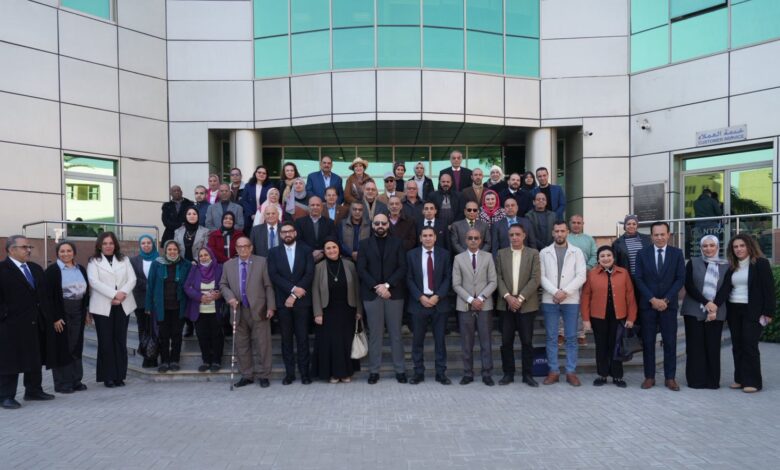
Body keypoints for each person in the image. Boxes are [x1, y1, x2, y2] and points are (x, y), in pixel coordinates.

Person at [0, 236, 57, 409]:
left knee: (35, 357)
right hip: (11, 325)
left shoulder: (35, 268)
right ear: (11, 250)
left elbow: (44, 295)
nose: (29, 250)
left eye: (29, 246)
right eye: (24, 247)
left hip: (36, 322)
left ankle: (33, 390)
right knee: (10, 360)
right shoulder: (2, 269)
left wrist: (47, 316)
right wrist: (5, 316)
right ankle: (6, 396)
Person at [718, 234, 775, 393]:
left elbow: (769, 290)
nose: (739, 249)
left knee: (749, 344)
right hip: (734, 310)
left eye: (742, 246)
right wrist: (713, 305)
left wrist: (768, 312)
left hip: (753, 311)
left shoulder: (761, 263)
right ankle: (740, 379)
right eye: (735, 247)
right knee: (737, 345)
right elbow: (725, 289)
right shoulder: (733, 266)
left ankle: (753, 382)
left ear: (749, 246)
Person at [634, 222, 686, 391]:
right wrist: (652, 299)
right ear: (651, 236)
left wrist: (666, 300)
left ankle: (670, 378)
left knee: (670, 342)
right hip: (648, 306)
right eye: (656, 235)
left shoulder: (677, 254)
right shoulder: (642, 254)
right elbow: (638, 278)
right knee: (648, 342)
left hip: (668, 306)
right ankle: (649, 377)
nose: (659, 237)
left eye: (662, 234)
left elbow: (680, 278)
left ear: (668, 235)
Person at [357, 213, 408, 385]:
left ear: (388, 225)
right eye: (377, 223)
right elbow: (361, 269)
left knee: (396, 334)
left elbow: (402, 267)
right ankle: (374, 371)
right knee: (375, 335)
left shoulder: (398, 243)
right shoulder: (364, 244)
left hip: (394, 294)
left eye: (383, 223)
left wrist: (387, 285)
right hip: (372, 295)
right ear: (373, 225)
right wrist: (377, 287)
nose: (380, 226)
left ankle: (400, 370)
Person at [219, 236, 276, 388]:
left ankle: (264, 375)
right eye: (239, 246)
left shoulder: (262, 262)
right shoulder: (228, 265)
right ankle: (247, 375)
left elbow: (268, 286)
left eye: (246, 246)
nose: (243, 249)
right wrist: (229, 297)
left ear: (251, 247)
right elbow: (223, 284)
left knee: (262, 344)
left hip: (259, 309)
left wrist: (271, 306)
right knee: (241, 345)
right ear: (236, 249)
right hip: (238, 310)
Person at [581, 246, 637, 388]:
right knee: (601, 346)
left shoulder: (623, 273)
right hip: (598, 317)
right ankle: (603, 374)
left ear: (614, 258)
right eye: (602, 256)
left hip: (619, 316)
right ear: (598, 259)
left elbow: (630, 296)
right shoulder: (592, 274)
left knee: (616, 346)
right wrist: (586, 319)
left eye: (608, 255)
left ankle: (617, 376)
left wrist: (631, 318)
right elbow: (586, 297)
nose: (606, 258)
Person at [87, 231, 137, 388]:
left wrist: (121, 295)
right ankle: (108, 376)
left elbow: (132, 279)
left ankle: (119, 376)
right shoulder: (93, 261)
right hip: (103, 306)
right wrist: (114, 294)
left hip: (123, 304)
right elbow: (94, 282)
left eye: (111, 243)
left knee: (120, 341)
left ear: (115, 245)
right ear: (99, 246)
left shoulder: (124, 259)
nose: (108, 246)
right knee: (106, 342)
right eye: (105, 243)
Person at [539, 221, 586, 387]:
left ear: (567, 232)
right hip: (550, 299)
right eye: (557, 231)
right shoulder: (544, 252)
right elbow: (541, 276)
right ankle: (553, 371)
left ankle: (571, 371)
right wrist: (555, 292)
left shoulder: (577, 252)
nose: (559, 234)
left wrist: (564, 292)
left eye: (562, 231)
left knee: (571, 337)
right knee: (552, 337)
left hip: (571, 300)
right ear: (553, 233)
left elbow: (581, 276)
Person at [268, 222, 315, 385]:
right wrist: (294, 289)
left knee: (303, 338)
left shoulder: (306, 250)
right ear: (280, 235)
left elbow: (309, 273)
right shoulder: (273, 253)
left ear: (295, 233)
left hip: (302, 302)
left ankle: (304, 373)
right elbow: (274, 275)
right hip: (283, 302)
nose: (287, 234)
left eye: (290, 231)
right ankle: (290, 374)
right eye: (284, 232)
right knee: (286, 339)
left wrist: (294, 295)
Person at [680, 235, 729, 389]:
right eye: (705, 246)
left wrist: (714, 305)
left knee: (712, 346)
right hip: (693, 310)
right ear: (701, 248)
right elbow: (689, 285)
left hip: (716, 311)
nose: (708, 248)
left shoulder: (726, 265)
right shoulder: (693, 263)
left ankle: (712, 381)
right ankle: (696, 380)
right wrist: (706, 302)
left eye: (712, 245)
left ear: (717, 247)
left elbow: (726, 287)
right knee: (695, 347)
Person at [495, 224, 541, 387]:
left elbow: (535, 279)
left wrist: (519, 299)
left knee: (527, 341)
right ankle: (508, 374)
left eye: (517, 234)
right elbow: (498, 277)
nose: (514, 237)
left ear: (524, 235)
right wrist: (508, 297)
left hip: (526, 305)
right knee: (506, 341)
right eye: (511, 235)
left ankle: (527, 374)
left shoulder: (533, 253)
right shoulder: (501, 253)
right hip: (505, 304)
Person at [406, 226, 452, 385]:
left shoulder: (444, 254)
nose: (427, 238)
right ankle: (418, 372)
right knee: (417, 341)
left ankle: (441, 373)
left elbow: (448, 277)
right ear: (420, 238)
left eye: (430, 235)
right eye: (424, 235)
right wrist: (420, 297)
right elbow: (409, 278)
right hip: (419, 303)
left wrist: (437, 296)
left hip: (439, 303)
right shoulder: (411, 255)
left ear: (435, 237)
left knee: (440, 341)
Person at [312, 238, 362, 383]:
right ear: (324, 251)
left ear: (339, 249)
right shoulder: (318, 267)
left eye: (334, 247)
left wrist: (359, 310)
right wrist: (317, 313)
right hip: (327, 310)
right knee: (331, 343)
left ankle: (346, 373)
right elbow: (315, 291)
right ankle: (334, 374)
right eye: (328, 248)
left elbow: (357, 288)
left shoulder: (350, 265)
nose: (331, 250)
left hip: (348, 309)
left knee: (346, 342)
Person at [452, 228, 497, 386]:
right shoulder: (458, 258)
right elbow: (456, 284)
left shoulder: (488, 257)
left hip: (485, 305)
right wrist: (471, 300)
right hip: (465, 305)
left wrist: (481, 298)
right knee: (466, 342)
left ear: (480, 240)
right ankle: (468, 373)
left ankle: (487, 374)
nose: (473, 240)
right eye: (470, 238)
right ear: (465, 240)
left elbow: (493, 281)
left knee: (486, 342)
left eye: (476, 238)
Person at [45, 241, 89, 394]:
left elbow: (86, 292)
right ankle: (63, 383)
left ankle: (76, 380)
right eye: (62, 251)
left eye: (69, 251)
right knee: (62, 346)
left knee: (76, 345)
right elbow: (47, 297)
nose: (66, 254)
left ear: (74, 252)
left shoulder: (80, 269)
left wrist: (86, 311)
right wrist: (55, 317)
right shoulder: (52, 271)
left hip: (78, 310)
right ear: (57, 253)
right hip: (61, 312)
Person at [145, 240, 191, 373]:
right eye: (169, 249)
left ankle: (175, 360)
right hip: (161, 307)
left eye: (175, 249)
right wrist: (148, 306)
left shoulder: (186, 264)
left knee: (177, 335)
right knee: (163, 335)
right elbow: (150, 285)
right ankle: (164, 361)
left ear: (179, 251)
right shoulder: (157, 264)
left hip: (179, 306)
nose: (172, 252)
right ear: (165, 251)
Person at [183, 247, 224, 372]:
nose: (203, 257)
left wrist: (219, 294)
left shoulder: (219, 268)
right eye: (201, 256)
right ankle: (206, 361)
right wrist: (200, 297)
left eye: (206, 255)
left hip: (215, 309)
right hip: (199, 310)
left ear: (211, 255)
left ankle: (216, 361)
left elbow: (224, 285)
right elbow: (187, 287)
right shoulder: (194, 269)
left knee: (217, 336)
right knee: (202, 336)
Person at [564, 214, 598, 346]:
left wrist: (587, 268)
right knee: (565, 303)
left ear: (583, 224)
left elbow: (594, 255)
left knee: (581, 304)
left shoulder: (589, 239)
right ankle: (561, 332)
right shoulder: (565, 237)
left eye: (579, 223)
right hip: (566, 277)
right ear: (569, 223)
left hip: (584, 276)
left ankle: (581, 333)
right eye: (574, 222)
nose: (576, 225)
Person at [130, 235, 158, 368]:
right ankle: (146, 356)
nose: (146, 245)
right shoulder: (133, 261)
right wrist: (150, 286)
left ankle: (156, 355)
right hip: (141, 300)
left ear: (153, 244)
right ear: (140, 245)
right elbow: (133, 279)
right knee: (143, 328)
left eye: (149, 243)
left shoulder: (160, 259)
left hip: (157, 301)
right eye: (143, 243)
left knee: (156, 329)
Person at [295, 196, 337, 263]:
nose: (315, 207)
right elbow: (298, 241)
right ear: (308, 207)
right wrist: (311, 252)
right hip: (306, 258)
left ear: (322, 207)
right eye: (312, 205)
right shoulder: (299, 222)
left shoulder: (330, 222)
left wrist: (322, 252)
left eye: (318, 205)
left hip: (325, 258)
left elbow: (332, 239)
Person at [240, 165, 274, 230]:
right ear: (255, 173)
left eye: (264, 173)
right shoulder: (248, 186)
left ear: (266, 175)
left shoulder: (270, 186)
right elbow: (244, 201)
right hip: (250, 217)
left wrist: (262, 215)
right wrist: (251, 214)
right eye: (259, 172)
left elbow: (272, 201)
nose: (261, 174)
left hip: (265, 217)